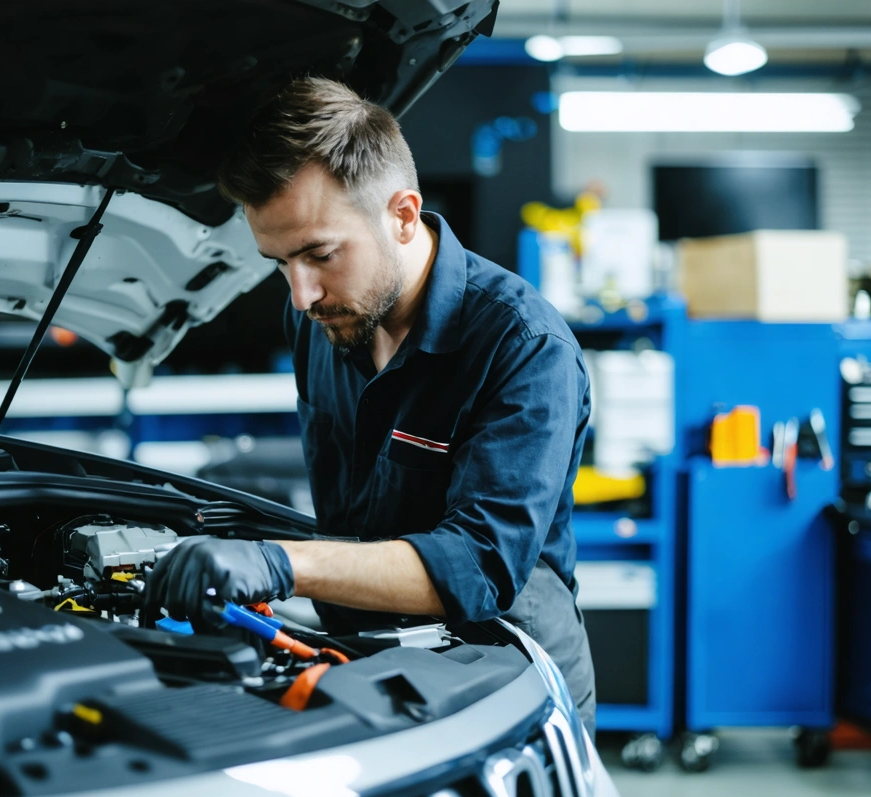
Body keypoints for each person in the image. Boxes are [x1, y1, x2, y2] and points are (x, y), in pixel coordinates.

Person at [150, 77, 595, 734]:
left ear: (404, 215)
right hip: (363, 656)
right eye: (279, 263)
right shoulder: (320, 320)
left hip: (503, 675)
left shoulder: (523, 344)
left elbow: (476, 568)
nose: (300, 293)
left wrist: (279, 563)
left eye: (319, 255)